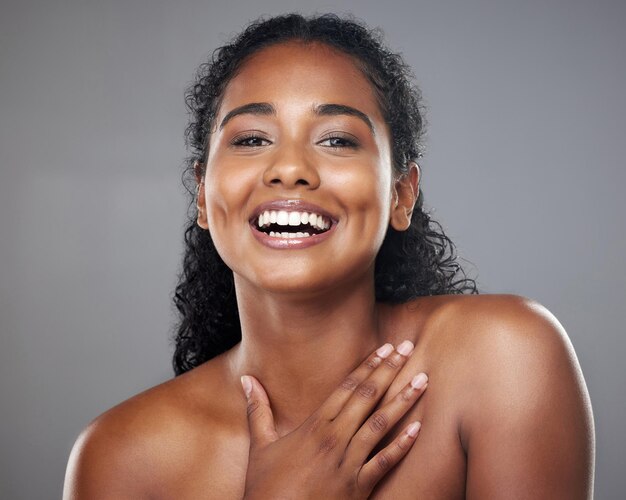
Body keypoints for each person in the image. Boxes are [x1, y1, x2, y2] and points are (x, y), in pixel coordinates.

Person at [63, 14, 594, 499]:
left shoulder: (503, 359)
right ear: (202, 194)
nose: (289, 168)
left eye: (337, 139)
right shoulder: (122, 458)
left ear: (401, 195)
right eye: (251, 140)